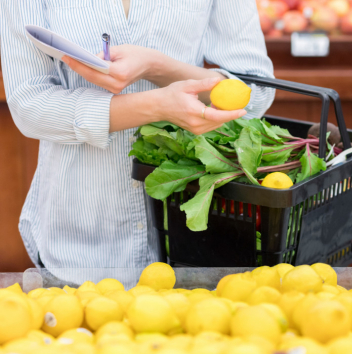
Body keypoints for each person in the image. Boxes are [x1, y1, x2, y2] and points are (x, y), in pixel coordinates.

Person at [0, 1, 275, 269]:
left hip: (188, 242)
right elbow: (29, 104)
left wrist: (157, 67)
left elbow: (255, 91)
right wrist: (156, 106)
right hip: (77, 242)